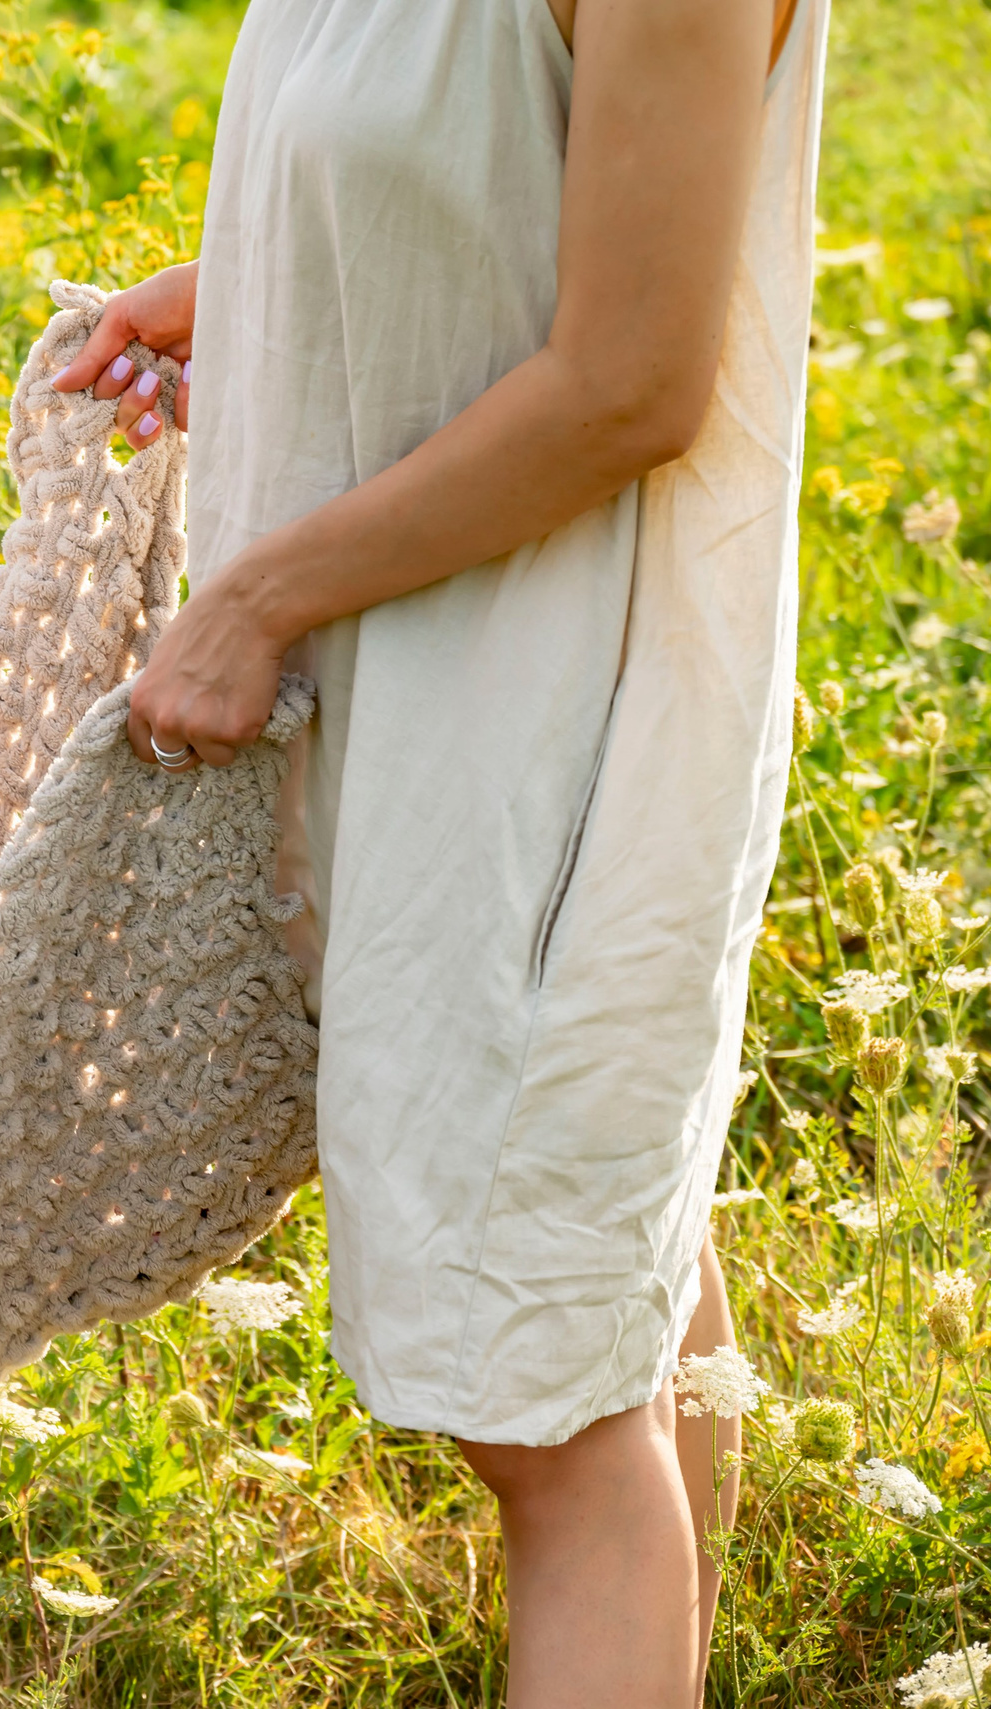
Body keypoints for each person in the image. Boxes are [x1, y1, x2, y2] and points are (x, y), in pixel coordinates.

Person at [50, 0, 819, 1700]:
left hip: (540, 705)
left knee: (542, 1413)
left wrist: (256, 596)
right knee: (594, 1280)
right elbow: (499, 170)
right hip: (420, 674)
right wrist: (280, 280)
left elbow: (630, 382)